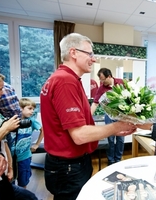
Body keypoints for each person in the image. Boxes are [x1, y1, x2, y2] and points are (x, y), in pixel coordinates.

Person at [40, 33, 135, 200]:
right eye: (89, 54)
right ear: (73, 53)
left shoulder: (64, 79)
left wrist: (111, 130)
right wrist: (116, 126)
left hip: (66, 165)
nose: (94, 59)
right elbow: (79, 135)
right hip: (68, 166)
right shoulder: (65, 81)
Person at [0, 73, 38, 200]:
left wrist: (10, 167)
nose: (2, 93)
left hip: (3, 168)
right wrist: (6, 128)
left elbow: (3, 142)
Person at [91, 68, 125, 165]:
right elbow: (95, 103)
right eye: (100, 80)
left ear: (109, 76)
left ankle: (118, 160)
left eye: (103, 79)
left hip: (121, 116)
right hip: (109, 116)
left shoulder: (121, 83)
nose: (101, 82)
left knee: (120, 139)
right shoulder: (101, 88)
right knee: (110, 139)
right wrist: (88, 117)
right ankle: (111, 160)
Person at [8, 98, 43, 188]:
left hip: (25, 157)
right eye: (30, 108)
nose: (32, 111)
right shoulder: (12, 121)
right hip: (10, 158)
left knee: (23, 182)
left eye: (33, 109)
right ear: (21, 108)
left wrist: (37, 144)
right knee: (10, 182)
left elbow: (43, 130)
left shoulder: (31, 121)